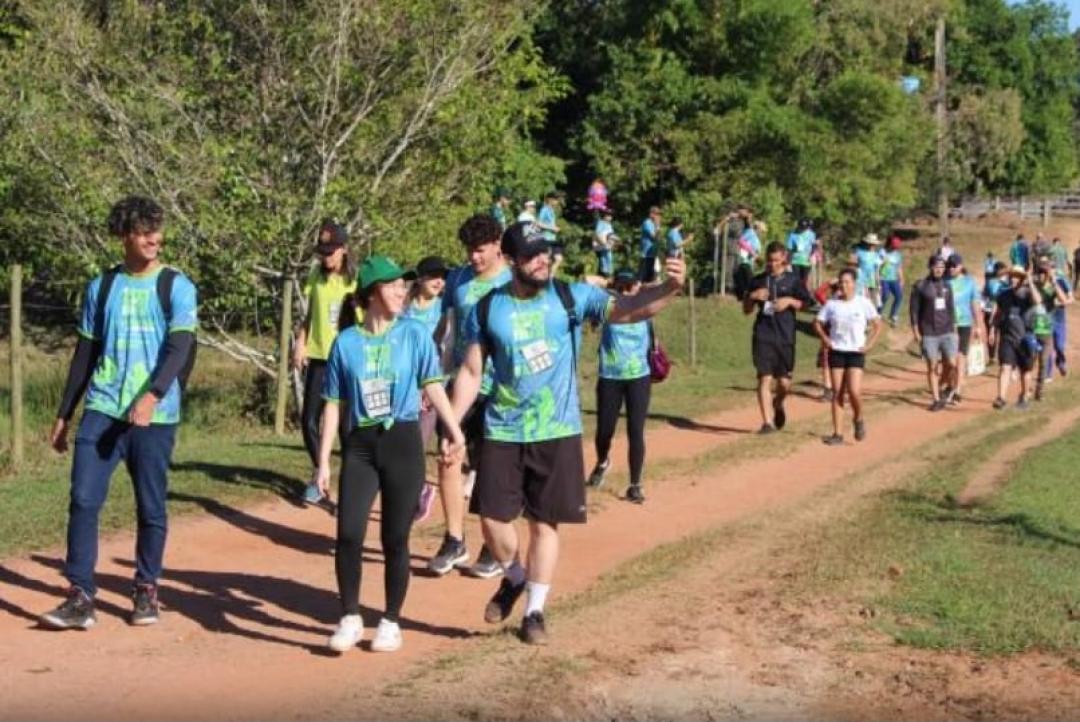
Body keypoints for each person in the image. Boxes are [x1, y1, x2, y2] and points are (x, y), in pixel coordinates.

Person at [451, 221, 686, 645]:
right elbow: (471, 371)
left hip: (556, 429)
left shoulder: (570, 297)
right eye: (531, 255)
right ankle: (515, 577)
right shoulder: (487, 308)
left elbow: (632, 309)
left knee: (544, 523)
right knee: (491, 519)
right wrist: (453, 426)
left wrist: (670, 287)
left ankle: (535, 612)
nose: (542, 261)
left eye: (545, 253)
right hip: (503, 428)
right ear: (510, 261)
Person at [42, 196, 198, 630]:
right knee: (83, 500)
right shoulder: (102, 287)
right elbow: (86, 351)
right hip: (103, 408)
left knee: (150, 506)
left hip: (155, 416)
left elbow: (180, 346)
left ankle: (146, 589)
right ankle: (79, 596)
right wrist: (65, 411)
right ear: (123, 235)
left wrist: (153, 395)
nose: (155, 238)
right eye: (144, 230)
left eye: (157, 229)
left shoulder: (176, 286)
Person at [316, 255, 466, 654]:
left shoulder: (415, 334)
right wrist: (322, 462)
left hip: (402, 442)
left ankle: (390, 620)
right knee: (348, 533)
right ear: (371, 293)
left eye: (404, 284)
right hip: (360, 446)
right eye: (394, 284)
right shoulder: (345, 342)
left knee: (394, 538)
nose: (403, 290)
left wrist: (454, 430)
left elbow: (433, 386)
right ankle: (349, 616)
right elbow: (333, 403)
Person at [428, 215, 513, 578]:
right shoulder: (459, 279)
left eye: (479, 250)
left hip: (501, 389)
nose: (473, 257)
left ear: (497, 244)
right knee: (448, 455)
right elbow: (444, 328)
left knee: (493, 469)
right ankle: (454, 539)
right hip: (460, 384)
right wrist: (431, 376)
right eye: (469, 251)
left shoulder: (514, 281)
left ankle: (492, 546)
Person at [296, 222, 358, 505]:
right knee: (308, 419)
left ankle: (350, 491)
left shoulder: (354, 280)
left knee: (346, 428)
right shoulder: (315, 276)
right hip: (319, 356)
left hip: (345, 360)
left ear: (343, 250)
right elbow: (309, 316)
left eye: (331, 252)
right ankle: (320, 471)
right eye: (322, 252)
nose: (326, 257)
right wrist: (300, 342)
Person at [586, 270, 653, 500]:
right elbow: (587, 280)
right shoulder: (608, 306)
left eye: (631, 287)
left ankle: (635, 484)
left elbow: (667, 286)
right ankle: (603, 462)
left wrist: (640, 286)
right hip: (610, 377)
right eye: (624, 288)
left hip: (639, 377)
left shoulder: (646, 306)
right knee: (604, 430)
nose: (629, 292)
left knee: (636, 430)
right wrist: (608, 283)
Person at [743, 241, 814, 434]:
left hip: (785, 335)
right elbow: (746, 310)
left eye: (776, 260)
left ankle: (778, 403)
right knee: (764, 378)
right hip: (763, 334)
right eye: (769, 260)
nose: (772, 264)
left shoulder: (793, 281)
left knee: (784, 383)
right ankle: (767, 423)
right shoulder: (758, 280)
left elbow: (808, 304)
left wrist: (790, 301)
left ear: (783, 258)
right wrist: (753, 296)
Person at [402, 255, 450, 523]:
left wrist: (430, 390)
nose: (438, 281)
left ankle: (416, 494)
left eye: (442, 277)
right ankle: (416, 490)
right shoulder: (403, 306)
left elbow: (444, 354)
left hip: (431, 389)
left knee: (417, 444)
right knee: (400, 444)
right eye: (433, 276)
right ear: (419, 278)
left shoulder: (444, 311)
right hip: (402, 387)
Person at [814, 268, 881, 445]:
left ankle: (858, 418)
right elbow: (818, 323)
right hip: (837, 350)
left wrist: (869, 344)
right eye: (841, 282)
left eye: (847, 282)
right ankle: (837, 434)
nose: (844, 285)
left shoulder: (863, 303)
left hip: (856, 352)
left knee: (854, 391)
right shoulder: (832, 304)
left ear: (854, 284)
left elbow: (877, 324)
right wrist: (825, 339)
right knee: (837, 393)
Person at [909, 255, 957, 411]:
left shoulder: (947, 286)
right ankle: (936, 399)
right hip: (929, 332)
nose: (939, 270)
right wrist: (916, 331)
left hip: (947, 330)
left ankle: (945, 386)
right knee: (932, 366)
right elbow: (914, 310)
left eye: (942, 267)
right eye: (936, 266)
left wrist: (954, 328)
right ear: (930, 267)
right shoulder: (921, 286)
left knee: (952, 364)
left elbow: (951, 308)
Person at [990, 266, 1036, 409]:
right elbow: (998, 313)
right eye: (1012, 276)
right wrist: (992, 330)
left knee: (1025, 371)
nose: (1014, 279)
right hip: (1007, 337)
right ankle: (1001, 398)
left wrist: (1030, 281)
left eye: (1017, 276)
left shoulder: (1028, 294)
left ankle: (1024, 396)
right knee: (1005, 367)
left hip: (1025, 338)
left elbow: (1038, 301)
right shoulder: (1004, 295)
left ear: (1022, 278)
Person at [945, 255, 984, 405]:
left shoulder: (970, 282)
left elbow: (975, 305)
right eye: (949, 266)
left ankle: (958, 390)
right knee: (950, 359)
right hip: (948, 325)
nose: (951, 268)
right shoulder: (945, 282)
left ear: (961, 266)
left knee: (961, 357)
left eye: (954, 266)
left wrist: (978, 326)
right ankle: (951, 384)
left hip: (964, 324)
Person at [1031, 260, 1070, 400]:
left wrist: (1054, 282)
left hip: (1045, 327)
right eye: (1039, 272)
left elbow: (1064, 300)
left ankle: (1039, 391)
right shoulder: (1032, 286)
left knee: (1043, 360)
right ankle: (1027, 387)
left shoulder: (1050, 288)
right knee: (1030, 359)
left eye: (1044, 272)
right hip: (1030, 327)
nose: (1041, 275)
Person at [982, 261, 1008, 362]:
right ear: (998, 271)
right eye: (1003, 270)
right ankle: (992, 356)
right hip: (991, 310)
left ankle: (1000, 355)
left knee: (1002, 334)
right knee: (992, 333)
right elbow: (986, 296)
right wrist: (984, 308)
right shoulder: (992, 283)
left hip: (1001, 310)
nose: (1005, 272)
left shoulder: (1005, 282)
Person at [734, 216, 763, 301]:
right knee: (747, 280)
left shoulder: (756, 238)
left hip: (750, 262)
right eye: (761, 230)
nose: (761, 232)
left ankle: (745, 297)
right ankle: (745, 297)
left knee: (748, 280)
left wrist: (757, 258)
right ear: (757, 228)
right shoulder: (750, 232)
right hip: (743, 260)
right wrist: (752, 252)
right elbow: (741, 241)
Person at [878, 235, 905, 327]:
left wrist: (901, 279)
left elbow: (899, 268)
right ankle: (879, 313)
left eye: (896, 247)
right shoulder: (882, 252)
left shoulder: (898, 255)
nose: (894, 249)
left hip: (894, 279)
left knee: (899, 296)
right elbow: (877, 266)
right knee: (885, 295)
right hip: (883, 278)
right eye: (893, 247)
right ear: (889, 244)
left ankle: (893, 315)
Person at [855, 233, 883, 308]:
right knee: (861, 297)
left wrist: (878, 282)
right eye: (871, 244)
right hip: (860, 278)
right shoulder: (859, 252)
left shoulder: (876, 255)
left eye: (873, 244)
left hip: (871, 278)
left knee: (872, 298)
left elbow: (877, 269)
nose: (872, 246)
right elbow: (854, 264)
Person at [537, 192, 563, 273]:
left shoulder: (551, 210)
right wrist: (552, 228)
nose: (557, 201)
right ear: (550, 199)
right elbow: (538, 223)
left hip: (553, 239)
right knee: (546, 260)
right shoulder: (544, 210)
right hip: (546, 238)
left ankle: (550, 278)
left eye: (557, 200)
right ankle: (544, 278)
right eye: (555, 199)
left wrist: (555, 228)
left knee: (558, 259)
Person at [786, 218, 816, 287]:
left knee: (804, 280)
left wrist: (811, 255)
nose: (803, 230)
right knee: (796, 279)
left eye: (805, 228)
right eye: (802, 228)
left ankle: (803, 294)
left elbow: (814, 246)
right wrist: (788, 262)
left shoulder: (811, 234)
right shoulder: (792, 235)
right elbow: (789, 249)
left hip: (806, 261)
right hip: (795, 261)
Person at [638, 206, 662, 283]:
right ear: (651, 214)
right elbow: (654, 237)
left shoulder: (654, 224)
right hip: (646, 254)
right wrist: (657, 226)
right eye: (657, 214)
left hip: (652, 253)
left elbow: (658, 238)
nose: (658, 216)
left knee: (650, 277)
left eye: (659, 214)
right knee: (643, 277)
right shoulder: (647, 223)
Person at [593, 208, 618, 279]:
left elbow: (611, 235)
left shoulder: (609, 225)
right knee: (604, 258)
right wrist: (603, 242)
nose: (610, 217)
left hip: (608, 245)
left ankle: (608, 273)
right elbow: (597, 234)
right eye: (608, 215)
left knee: (609, 258)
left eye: (611, 216)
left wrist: (616, 242)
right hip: (602, 245)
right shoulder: (601, 223)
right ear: (604, 216)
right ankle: (605, 273)